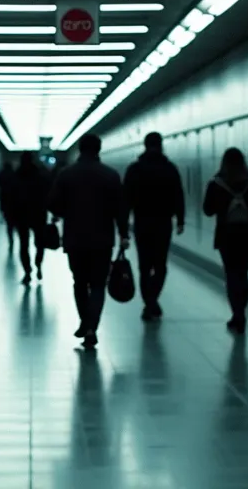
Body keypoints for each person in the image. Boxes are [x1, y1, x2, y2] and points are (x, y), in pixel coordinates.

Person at [47, 134, 129, 348]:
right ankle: (91, 326)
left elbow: (54, 205)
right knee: (99, 284)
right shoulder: (110, 175)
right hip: (103, 239)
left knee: (80, 282)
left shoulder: (66, 174)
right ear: (99, 149)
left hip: (75, 238)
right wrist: (123, 234)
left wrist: (67, 211)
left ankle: (85, 322)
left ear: (80, 149)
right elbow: (120, 208)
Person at [202, 147, 248, 334]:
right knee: (243, 274)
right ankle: (241, 311)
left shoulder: (216, 184)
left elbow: (207, 210)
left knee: (231, 275)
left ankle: (237, 313)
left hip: (226, 236)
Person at [123, 132, 185, 321]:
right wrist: (181, 219)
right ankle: (152, 301)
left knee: (144, 266)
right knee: (160, 266)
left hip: (142, 223)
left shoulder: (135, 169)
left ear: (145, 145)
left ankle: (149, 303)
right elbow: (178, 195)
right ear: (161, 145)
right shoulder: (169, 168)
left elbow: (126, 199)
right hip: (163, 223)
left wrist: (123, 226)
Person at [10, 151, 51, 284]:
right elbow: (48, 193)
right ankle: (38, 264)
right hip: (39, 213)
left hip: (21, 214)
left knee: (24, 245)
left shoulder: (16, 176)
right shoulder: (41, 175)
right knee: (40, 243)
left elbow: (10, 196)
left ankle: (27, 271)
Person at [0, 160, 18, 248]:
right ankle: (18, 236)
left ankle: (10, 239)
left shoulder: (0, 174)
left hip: (5, 202)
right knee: (15, 221)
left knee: (9, 224)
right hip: (15, 202)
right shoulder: (15, 174)